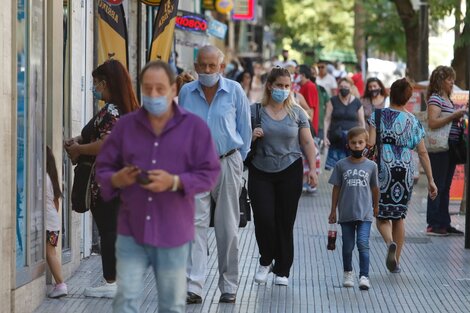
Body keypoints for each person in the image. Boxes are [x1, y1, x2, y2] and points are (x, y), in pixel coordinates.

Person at [95, 60, 221, 313]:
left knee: (171, 305)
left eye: (160, 88)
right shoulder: (126, 127)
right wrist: (117, 179)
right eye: (148, 88)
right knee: (126, 301)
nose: (153, 95)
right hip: (131, 229)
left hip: (173, 231)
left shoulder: (194, 129)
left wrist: (175, 181)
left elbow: (210, 173)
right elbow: (103, 168)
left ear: (174, 89)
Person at [179, 45, 252, 304]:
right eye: (203, 65)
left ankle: (229, 285)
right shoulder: (186, 92)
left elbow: (245, 129)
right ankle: (194, 286)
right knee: (194, 226)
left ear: (222, 67)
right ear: (196, 66)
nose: (208, 70)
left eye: (213, 66)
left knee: (227, 227)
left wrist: (237, 162)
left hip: (227, 161)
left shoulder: (235, 90)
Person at [64, 59, 140, 298]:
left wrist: (79, 150)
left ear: (105, 83)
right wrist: (79, 140)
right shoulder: (126, 109)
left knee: (109, 231)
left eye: (96, 83)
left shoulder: (112, 110)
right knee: (115, 230)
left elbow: (108, 143)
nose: (94, 87)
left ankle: (111, 282)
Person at [248, 66, 318, 286]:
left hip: (290, 169)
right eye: (279, 85)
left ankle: (282, 270)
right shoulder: (255, 111)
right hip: (260, 170)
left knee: (285, 221)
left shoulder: (297, 112)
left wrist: (313, 170)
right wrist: (251, 136)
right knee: (264, 218)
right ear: (270, 85)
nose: (283, 90)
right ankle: (265, 260)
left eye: (287, 86)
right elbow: (239, 139)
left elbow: (307, 142)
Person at [368, 78, 438, 273]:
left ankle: (390, 242)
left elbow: (370, 144)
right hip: (406, 169)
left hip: (383, 168)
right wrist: (431, 180)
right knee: (399, 217)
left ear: (391, 93)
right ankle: (396, 262)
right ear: (408, 98)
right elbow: (423, 152)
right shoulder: (413, 121)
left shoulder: (378, 116)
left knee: (381, 215)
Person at [328, 127, 379, 290]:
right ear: (348, 145)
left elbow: (375, 188)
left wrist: (376, 206)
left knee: (363, 243)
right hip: (346, 213)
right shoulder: (341, 165)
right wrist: (333, 210)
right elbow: (336, 187)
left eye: (360, 142)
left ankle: (364, 276)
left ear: (366, 144)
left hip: (365, 213)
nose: (357, 146)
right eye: (353, 143)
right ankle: (348, 272)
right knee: (348, 246)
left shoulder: (371, 166)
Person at [426, 66, 467, 236]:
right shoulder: (435, 99)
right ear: (440, 81)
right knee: (438, 185)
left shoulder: (447, 100)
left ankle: (444, 222)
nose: (452, 82)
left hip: (449, 147)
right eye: (449, 79)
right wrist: (453, 116)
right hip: (439, 148)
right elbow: (432, 123)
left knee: (446, 186)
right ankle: (433, 223)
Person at [323, 77, 365, 170]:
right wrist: (325, 136)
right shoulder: (332, 100)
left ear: (351, 87)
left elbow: (362, 122)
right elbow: (327, 119)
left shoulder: (357, 102)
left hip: (353, 140)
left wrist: (363, 138)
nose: (343, 88)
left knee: (352, 167)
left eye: (346, 86)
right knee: (338, 168)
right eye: (341, 86)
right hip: (336, 138)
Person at [45, 146, 68, 298]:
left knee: (50, 253)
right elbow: (56, 203)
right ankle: (60, 284)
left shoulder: (41, 176)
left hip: (47, 222)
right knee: (52, 252)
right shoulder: (51, 176)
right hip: (53, 222)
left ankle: (61, 284)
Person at [297, 64, 319, 135]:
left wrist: (309, 129)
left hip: (307, 128)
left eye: (296, 73)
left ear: (302, 75)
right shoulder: (303, 86)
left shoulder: (310, 86)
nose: (294, 76)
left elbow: (311, 110)